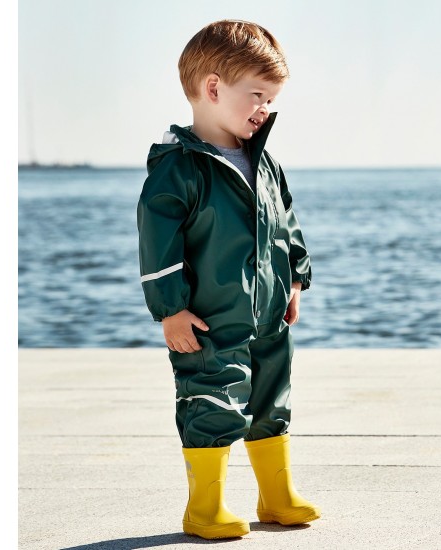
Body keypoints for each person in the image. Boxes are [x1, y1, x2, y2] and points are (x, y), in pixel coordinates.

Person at [137, 19, 320, 540]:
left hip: (268, 316)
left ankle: (276, 495)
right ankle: (205, 506)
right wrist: (170, 309)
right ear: (214, 88)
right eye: (257, 96)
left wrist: (295, 279)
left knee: (272, 400)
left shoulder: (265, 164)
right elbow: (158, 245)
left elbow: (286, 223)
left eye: (272, 99)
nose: (265, 109)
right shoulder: (180, 169)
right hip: (209, 321)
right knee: (212, 402)